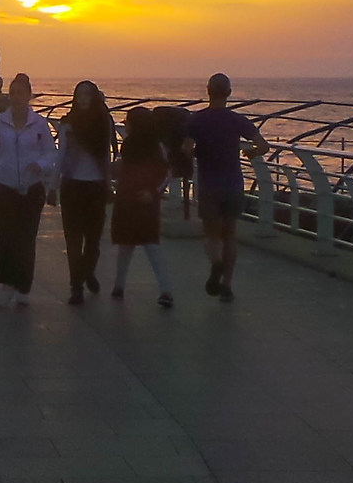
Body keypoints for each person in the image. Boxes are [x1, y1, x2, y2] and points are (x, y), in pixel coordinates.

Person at [177, 73, 273, 302]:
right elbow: (264, 146)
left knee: (211, 236)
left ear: (207, 90)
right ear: (229, 92)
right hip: (233, 183)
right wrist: (251, 152)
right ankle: (227, 286)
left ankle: (216, 263)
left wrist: (199, 153)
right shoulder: (237, 120)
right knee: (230, 235)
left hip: (209, 184)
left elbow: (186, 149)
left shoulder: (196, 120)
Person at [0, 73, 57, 306]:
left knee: (26, 238)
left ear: (29, 96)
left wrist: (40, 165)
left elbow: (51, 153)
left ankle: (23, 285)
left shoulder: (39, 124)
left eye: (20, 93)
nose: (15, 97)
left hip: (32, 189)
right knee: (7, 236)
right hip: (5, 187)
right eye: (12, 93)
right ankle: (6, 284)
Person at [109, 107, 176, 307]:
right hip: (140, 201)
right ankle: (162, 289)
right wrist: (154, 192)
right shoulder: (151, 145)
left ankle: (123, 286)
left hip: (131, 199)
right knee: (146, 245)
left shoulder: (135, 145)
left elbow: (166, 172)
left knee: (129, 245)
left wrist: (152, 192)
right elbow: (166, 173)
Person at [57, 81, 114, 305]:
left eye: (87, 95)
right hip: (71, 186)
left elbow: (105, 157)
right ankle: (76, 286)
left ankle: (88, 271)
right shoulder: (67, 123)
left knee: (92, 241)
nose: (82, 99)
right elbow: (61, 155)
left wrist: (109, 185)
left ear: (94, 97)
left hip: (95, 187)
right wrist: (52, 185)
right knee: (73, 241)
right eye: (78, 94)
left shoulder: (102, 123)